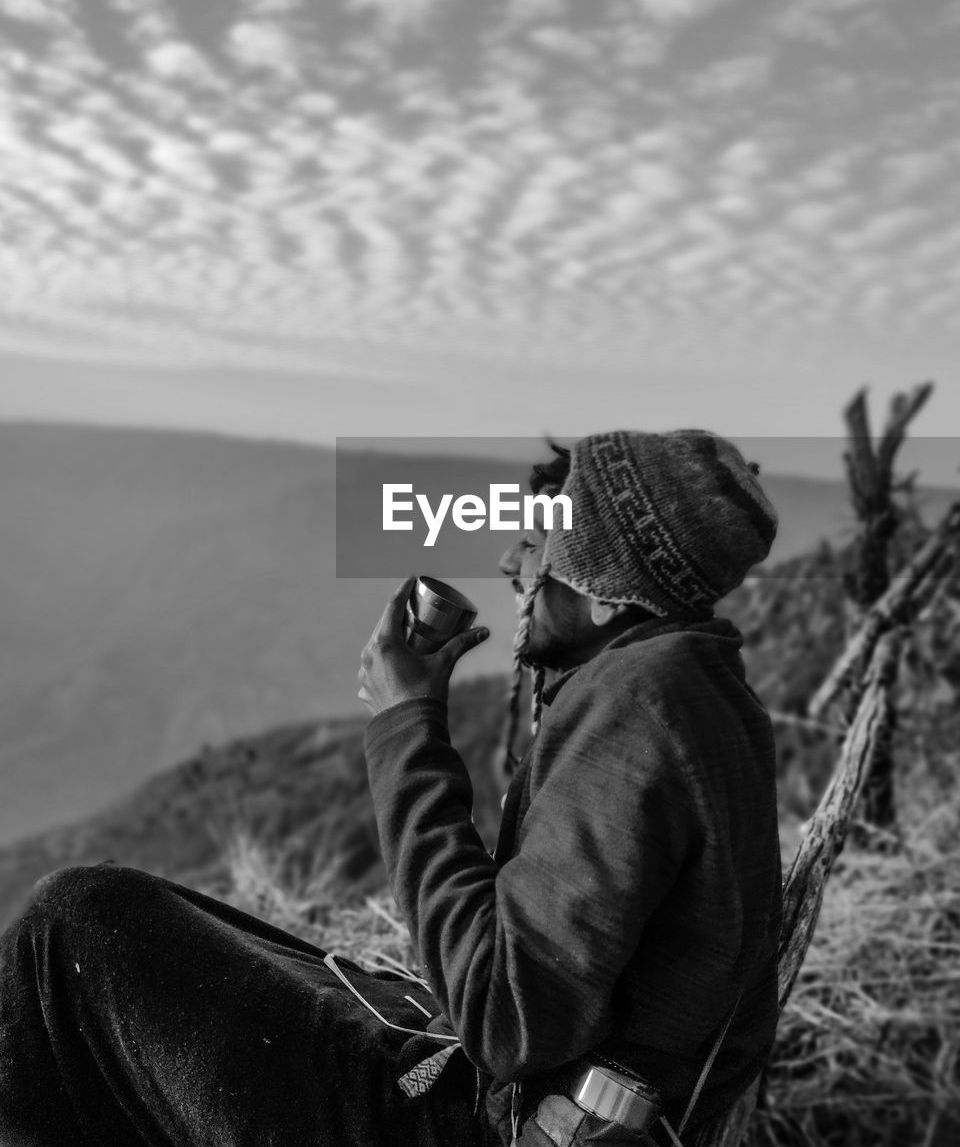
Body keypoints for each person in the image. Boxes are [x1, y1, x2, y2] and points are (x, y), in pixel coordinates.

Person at [0, 429, 782, 1147]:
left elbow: (502, 1016)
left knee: (67, 925)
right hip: (534, 1094)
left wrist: (406, 726)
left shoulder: (642, 710)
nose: (512, 564)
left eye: (536, 543)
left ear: (607, 588)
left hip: (472, 1124)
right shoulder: (693, 690)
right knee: (145, 907)